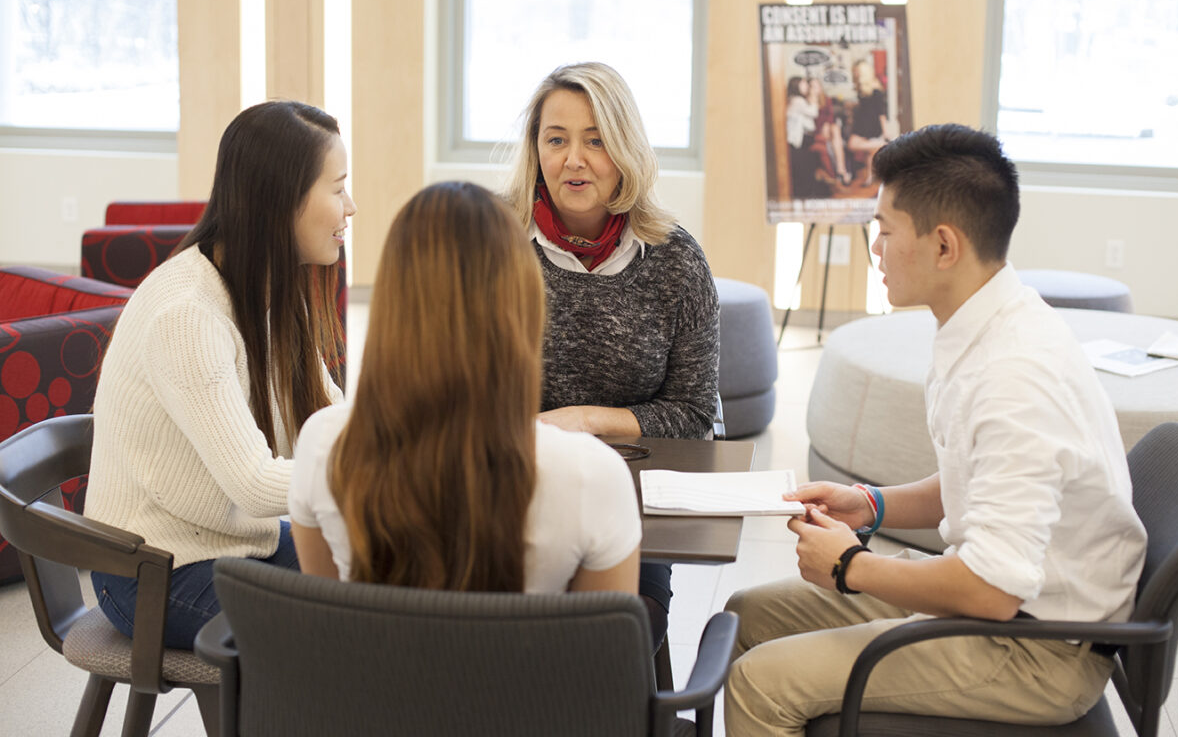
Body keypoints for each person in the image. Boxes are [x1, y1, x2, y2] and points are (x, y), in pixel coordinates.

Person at [723, 124, 1147, 735]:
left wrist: (851, 566)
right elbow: (972, 485)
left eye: (885, 231)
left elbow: (993, 590)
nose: (875, 248)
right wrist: (868, 506)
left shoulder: (1015, 378)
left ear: (943, 246)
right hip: (1000, 602)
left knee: (760, 683)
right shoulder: (986, 324)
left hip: (1037, 649)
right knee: (746, 615)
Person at [85, 100, 354, 649]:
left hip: (232, 540)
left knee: (391, 579)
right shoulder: (186, 316)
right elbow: (254, 485)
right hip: (154, 570)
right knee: (342, 629)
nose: (350, 207)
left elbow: (330, 419)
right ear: (281, 201)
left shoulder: (271, 285)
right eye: (338, 187)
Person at [288, 181, 641, 596]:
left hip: (372, 663)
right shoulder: (590, 476)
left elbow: (325, 630)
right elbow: (600, 656)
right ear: (522, 306)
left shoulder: (323, 445)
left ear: (391, 301)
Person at [503, 61, 720, 646]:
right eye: (557, 139)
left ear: (624, 147)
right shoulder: (495, 245)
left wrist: (585, 421)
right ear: (536, 150)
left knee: (617, 637)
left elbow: (696, 419)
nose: (574, 159)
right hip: (511, 493)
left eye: (596, 140)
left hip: (632, 501)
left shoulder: (676, 261)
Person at [845, 59, 895, 183]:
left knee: (852, 144)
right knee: (869, 152)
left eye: (857, 71)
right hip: (863, 123)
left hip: (870, 125)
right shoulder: (863, 88)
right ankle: (870, 177)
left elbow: (880, 112)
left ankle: (883, 144)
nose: (855, 74)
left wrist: (885, 131)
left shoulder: (876, 89)